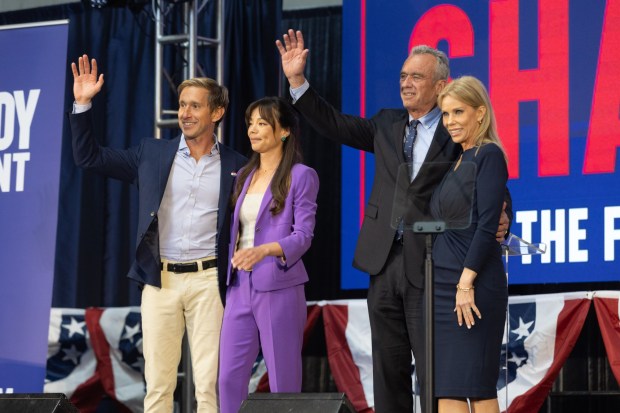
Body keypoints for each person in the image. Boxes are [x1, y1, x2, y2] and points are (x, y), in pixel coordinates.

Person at [276, 30, 511, 412]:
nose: (406, 83)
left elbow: (490, 179)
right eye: (403, 76)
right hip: (383, 260)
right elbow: (335, 124)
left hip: (435, 264)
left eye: (416, 77)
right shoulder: (386, 123)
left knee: (437, 371)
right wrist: (297, 82)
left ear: (440, 85)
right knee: (389, 366)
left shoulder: (457, 129)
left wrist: (504, 217)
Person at [69, 54, 247, 413]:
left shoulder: (237, 166)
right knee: (158, 385)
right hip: (159, 279)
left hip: (209, 281)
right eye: (182, 105)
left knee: (210, 385)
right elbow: (89, 158)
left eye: (195, 106)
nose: (185, 113)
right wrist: (83, 103)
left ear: (217, 112)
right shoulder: (151, 153)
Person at [217, 96, 319, 413]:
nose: (253, 129)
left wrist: (264, 251)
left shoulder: (301, 175)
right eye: (250, 122)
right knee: (227, 379)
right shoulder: (244, 176)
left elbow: (303, 236)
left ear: (284, 131)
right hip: (238, 286)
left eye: (262, 123)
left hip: (279, 284)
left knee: (283, 381)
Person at [431, 76, 508, 413]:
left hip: (472, 285)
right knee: (447, 387)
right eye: (445, 114)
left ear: (480, 113)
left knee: (476, 387)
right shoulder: (457, 161)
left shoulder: (489, 154)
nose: (450, 122)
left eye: (458, 112)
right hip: (444, 286)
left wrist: (466, 283)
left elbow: (488, 221)